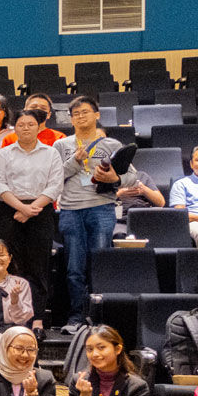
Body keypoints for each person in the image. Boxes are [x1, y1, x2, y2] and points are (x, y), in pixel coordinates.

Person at [54, 96, 133, 331]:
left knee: (99, 264)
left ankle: (100, 317)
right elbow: (54, 176)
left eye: (85, 112)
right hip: (71, 210)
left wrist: (115, 179)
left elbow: (132, 176)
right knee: (74, 268)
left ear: (97, 115)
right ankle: (76, 317)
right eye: (75, 113)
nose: (80, 116)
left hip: (101, 208)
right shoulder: (61, 145)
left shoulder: (112, 144)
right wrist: (75, 162)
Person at [0, 109, 62, 325]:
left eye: (31, 124)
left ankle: (37, 318)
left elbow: (55, 184)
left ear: (39, 126)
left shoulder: (51, 153)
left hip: (40, 211)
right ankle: (13, 316)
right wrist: (21, 207)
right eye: (21, 125)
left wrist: (32, 209)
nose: (26, 128)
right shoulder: (4, 153)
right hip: (9, 210)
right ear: (15, 128)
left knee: (39, 265)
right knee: (12, 265)